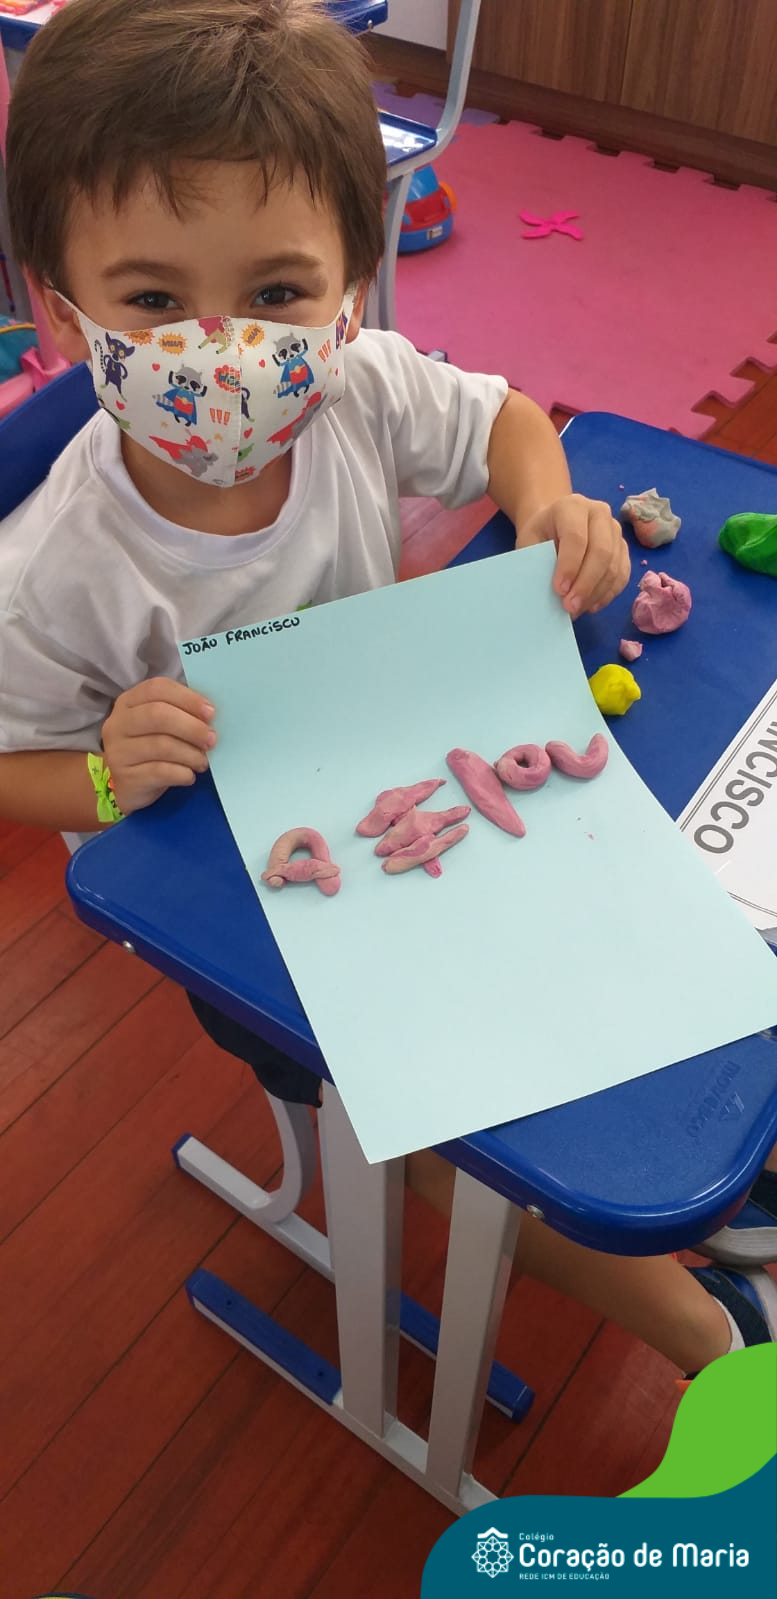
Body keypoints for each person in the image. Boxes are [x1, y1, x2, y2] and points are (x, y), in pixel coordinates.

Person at [1, 0, 774, 1386]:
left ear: (352, 286)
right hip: (243, 907)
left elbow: (507, 422)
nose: (224, 353)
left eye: (277, 294)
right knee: (427, 1141)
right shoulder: (58, 566)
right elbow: (12, 762)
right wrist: (107, 773)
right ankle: (714, 1341)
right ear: (61, 310)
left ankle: (713, 1162)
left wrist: (548, 506)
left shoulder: (359, 390)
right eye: (155, 302)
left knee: (621, 914)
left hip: (425, 798)